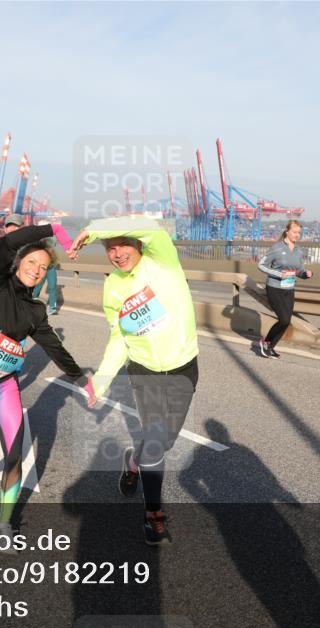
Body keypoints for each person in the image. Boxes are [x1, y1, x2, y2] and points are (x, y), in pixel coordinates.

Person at [0, 220, 92, 544]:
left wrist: (80, 379)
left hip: (5, 385)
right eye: (31, 262)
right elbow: (7, 243)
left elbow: (53, 346)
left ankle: (4, 526)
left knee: (15, 456)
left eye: (43, 267)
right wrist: (53, 228)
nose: (37, 270)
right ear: (17, 263)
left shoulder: (34, 310)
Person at [69, 216, 199, 546]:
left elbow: (150, 226)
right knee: (156, 442)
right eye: (110, 248)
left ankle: (132, 461)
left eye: (123, 244)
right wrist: (100, 381)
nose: (117, 253)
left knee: (164, 441)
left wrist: (95, 229)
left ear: (138, 244)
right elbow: (119, 338)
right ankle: (153, 515)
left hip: (183, 369)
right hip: (144, 372)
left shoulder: (163, 262)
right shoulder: (113, 285)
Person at [256, 220, 312, 359]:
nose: (297, 235)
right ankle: (266, 342)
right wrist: (280, 274)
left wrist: (305, 274)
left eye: (299, 232)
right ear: (287, 231)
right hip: (274, 287)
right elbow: (261, 265)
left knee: (286, 322)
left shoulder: (299, 251)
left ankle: (270, 346)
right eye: (294, 232)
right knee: (284, 320)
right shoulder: (277, 248)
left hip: (289, 288)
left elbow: (299, 271)